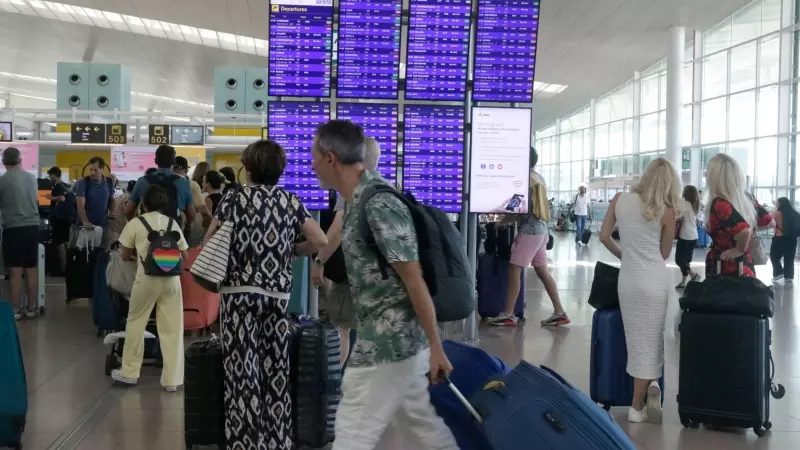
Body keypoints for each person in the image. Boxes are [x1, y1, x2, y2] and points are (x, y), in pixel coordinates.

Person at [310, 119, 458, 450]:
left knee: (352, 434)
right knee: (422, 430)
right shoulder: (356, 199)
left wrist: (437, 346)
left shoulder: (379, 203)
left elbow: (413, 278)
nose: (312, 164)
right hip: (397, 345)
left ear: (331, 158)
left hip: (385, 345)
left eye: (314, 156)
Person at [204, 140, 327, 450]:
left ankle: (245, 443)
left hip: (238, 294)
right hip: (276, 296)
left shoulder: (233, 199)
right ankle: (277, 441)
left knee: (242, 373)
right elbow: (320, 239)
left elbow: (210, 240)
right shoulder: (289, 201)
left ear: (248, 169)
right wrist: (293, 250)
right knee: (276, 370)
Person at [599, 157, 681, 424]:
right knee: (653, 339)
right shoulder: (668, 211)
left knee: (636, 341)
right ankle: (637, 405)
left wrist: (625, 255)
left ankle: (650, 386)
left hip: (629, 280)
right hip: (655, 280)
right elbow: (665, 254)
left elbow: (603, 236)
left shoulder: (620, 199)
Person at [311, 137, 381, 366]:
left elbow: (338, 229)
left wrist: (320, 260)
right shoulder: (384, 186)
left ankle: (337, 385)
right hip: (381, 277)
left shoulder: (354, 186)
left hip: (356, 275)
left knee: (342, 328)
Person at [111, 185, 188, 392]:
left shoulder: (136, 223)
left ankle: (129, 373)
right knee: (172, 328)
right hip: (172, 281)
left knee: (136, 322)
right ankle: (172, 380)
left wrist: (141, 255)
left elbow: (124, 256)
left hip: (146, 279)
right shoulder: (173, 223)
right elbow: (185, 255)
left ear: (143, 203)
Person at [488, 147, 568, 328]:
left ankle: (508, 314)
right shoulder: (539, 177)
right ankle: (559, 312)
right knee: (542, 272)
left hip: (530, 230)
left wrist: (499, 222)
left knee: (514, 269)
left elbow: (516, 208)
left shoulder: (524, 180)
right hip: (541, 229)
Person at [704, 154, 773, 278]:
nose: (706, 176)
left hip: (725, 266)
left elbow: (744, 230)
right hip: (745, 266)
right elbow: (770, 222)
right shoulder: (747, 199)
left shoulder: (719, 203)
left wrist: (738, 249)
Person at [0, 148, 41, 320]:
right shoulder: (32, 178)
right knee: (31, 269)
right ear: (20, 159)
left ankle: (16, 309)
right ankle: (31, 308)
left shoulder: (2, 181)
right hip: (32, 227)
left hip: (13, 228)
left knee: (15, 271)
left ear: (3, 162)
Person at [125, 145, 196, 227]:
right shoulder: (183, 183)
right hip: (172, 232)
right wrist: (187, 225)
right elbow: (191, 214)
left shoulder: (142, 181)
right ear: (173, 162)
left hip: (147, 232)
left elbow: (128, 211)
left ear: (155, 161)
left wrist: (135, 224)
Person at [73, 157, 115, 245]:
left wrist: (112, 211)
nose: (92, 172)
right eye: (91, 169)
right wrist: (85, 221)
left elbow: (111, 199)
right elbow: (80, 205)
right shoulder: (83, 182)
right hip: (86, 226)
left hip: (103, 225)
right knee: (85, 254)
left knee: (103, 253)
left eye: (95, 170)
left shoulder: (109, 182)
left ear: (102, 169)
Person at [45, 167, 73, 273]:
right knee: (64, 243)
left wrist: (50, 198)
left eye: (50, 175)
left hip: (59, 219)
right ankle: (65, 267)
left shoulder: (58, 186)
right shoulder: (66, 186)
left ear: (54, 175)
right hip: (66, 219)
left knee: (59, 243)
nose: (49, 178)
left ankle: (62, 269)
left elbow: (62, 198)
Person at [675, 185, 701, 289]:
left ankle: (693, 275)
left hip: (685, 236)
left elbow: (678, 217)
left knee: (679, 260)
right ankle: (683, 282)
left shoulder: (684, 203)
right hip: (693, 236)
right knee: (686, 260)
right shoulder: (696, 205)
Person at [771, 197, 800, 282]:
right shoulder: (795, 213)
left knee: (774, 256)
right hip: (792, 239)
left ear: (780, 204)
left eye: (777, 202)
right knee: (789, 258)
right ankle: (789, 277)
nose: (776, 204)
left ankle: (778, 273)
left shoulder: (776, 213)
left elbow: (770, 223)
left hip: (779, 238)